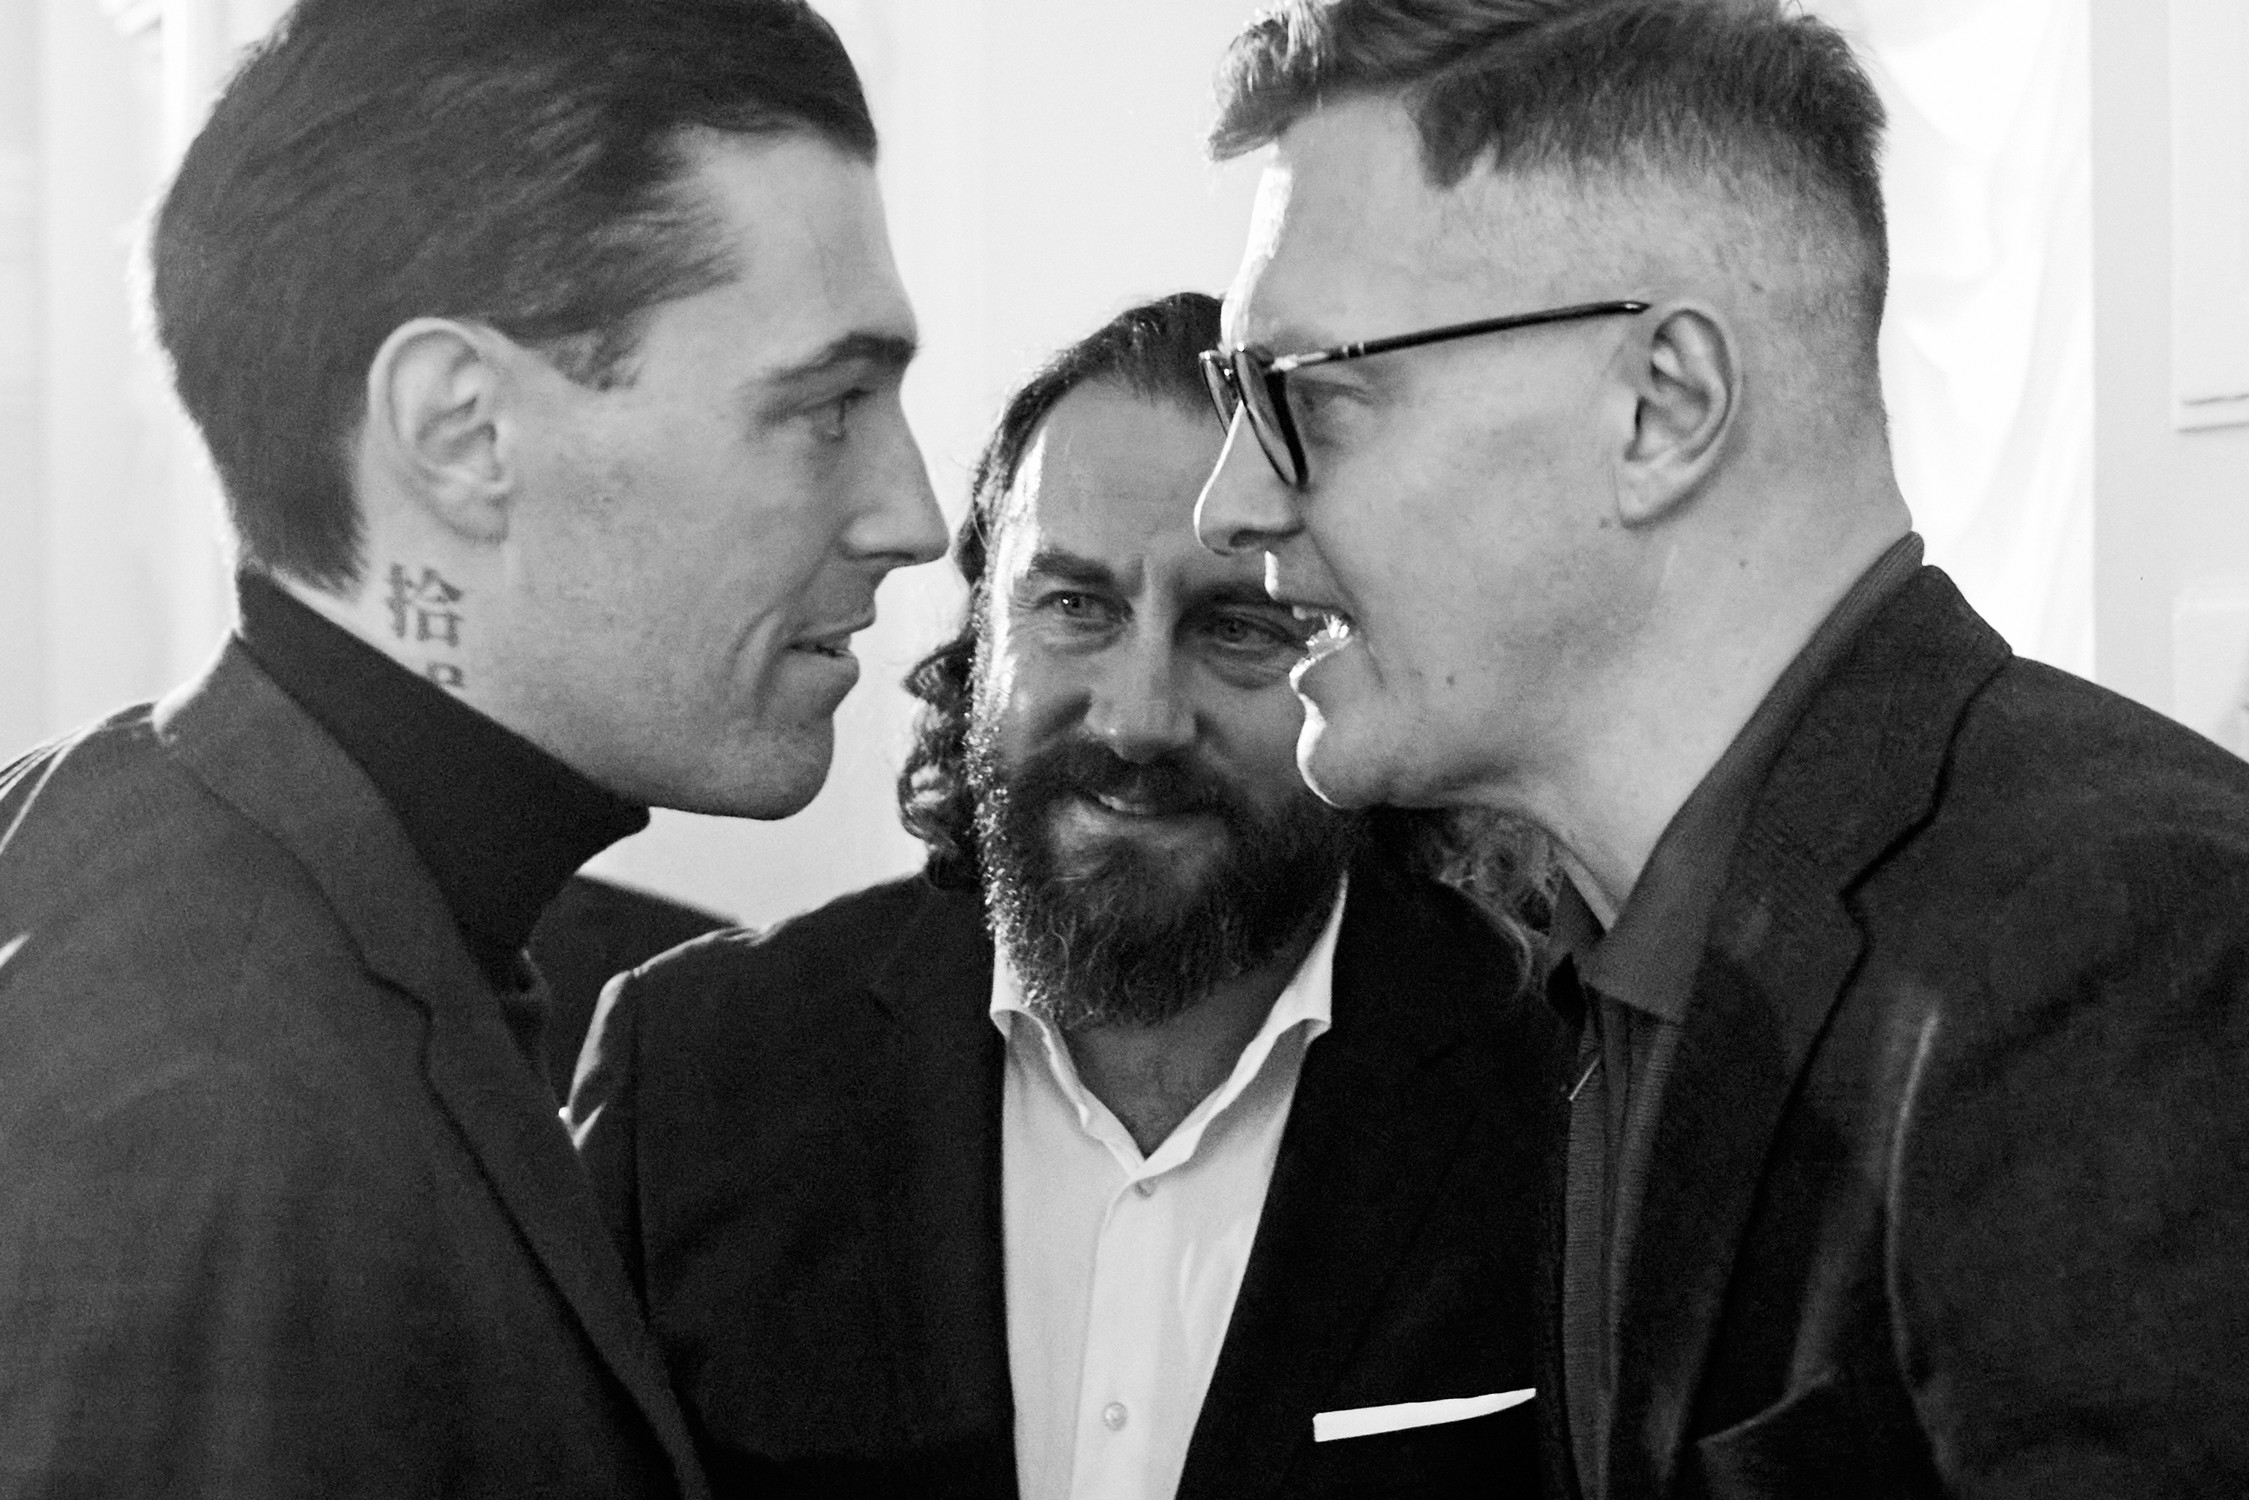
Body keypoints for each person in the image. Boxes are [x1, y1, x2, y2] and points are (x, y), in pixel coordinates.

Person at [1191, 2, 2249, 1497]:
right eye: (1236, 400)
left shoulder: (2109, 951)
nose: (1226, 504)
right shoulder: (1610, 959)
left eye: (1309, 397)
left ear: (1663, 406)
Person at [0, 0, 944, 1493]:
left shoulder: (160, 861)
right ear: (461, 429)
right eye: (827, 406)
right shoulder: (224, 1115)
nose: (913, 515)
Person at [569, 293, 1564, 1499]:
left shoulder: (1565, 1094)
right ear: (979, 640)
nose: (1139, 718)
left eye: (1239, 626)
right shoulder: (694, 1074)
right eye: (1076, 608)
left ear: (1359, 655)